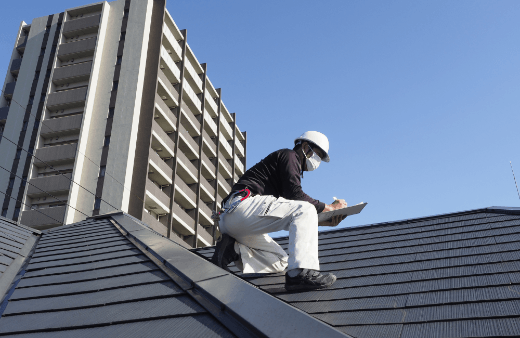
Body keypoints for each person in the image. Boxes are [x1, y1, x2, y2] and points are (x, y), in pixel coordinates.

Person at [211, 131, 348, 291]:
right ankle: (300, 274)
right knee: (306, 208)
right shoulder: (290, 155)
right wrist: (330, 208)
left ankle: (231, 250)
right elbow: (296, 196)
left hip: (234, 219)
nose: (317, 161)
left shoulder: (287, 166)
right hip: (242, 206)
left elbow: (292, 213)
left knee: (280, 261)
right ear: (305, 146)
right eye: (317, 154)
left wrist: (325, 221)